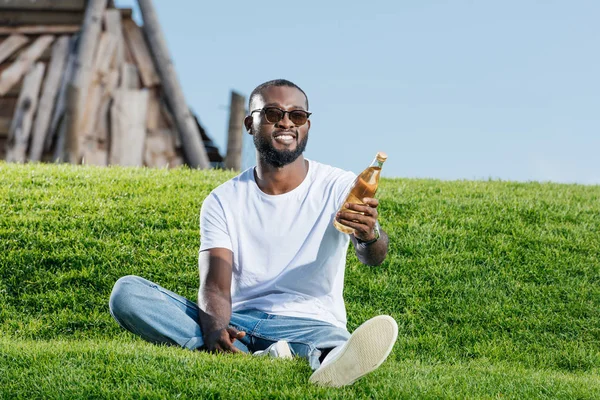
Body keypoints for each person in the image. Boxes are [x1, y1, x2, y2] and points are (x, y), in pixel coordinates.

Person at [109, 79, 398, 387]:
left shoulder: (339, 186)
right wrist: (215, 328)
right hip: (241, 321)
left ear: (307, 125)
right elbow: (215, 286)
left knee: (329, 340)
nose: (286, 122)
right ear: (250, 123)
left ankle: (324, 356)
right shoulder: (222, 200)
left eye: (297, 115)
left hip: (311, 322)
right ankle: (254, 350)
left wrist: (369, 235)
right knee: (128, 293)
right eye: (273, 113)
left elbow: (374, 257)